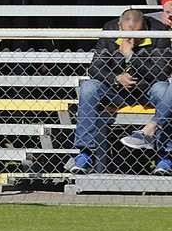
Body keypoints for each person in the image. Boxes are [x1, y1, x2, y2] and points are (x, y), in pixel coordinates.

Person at [68, 9, 172, 176]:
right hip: (115, 90)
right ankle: (85, 154)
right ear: (119, 26)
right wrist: (116, 78)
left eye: (137, 33)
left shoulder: (159, 31)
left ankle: (165, 156)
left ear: (144, 27)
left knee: (163, 89)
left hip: (147, 90)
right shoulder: (109, 30)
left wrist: (130, 56)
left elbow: (160, 73)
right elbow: (95, 68)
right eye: (126, 33)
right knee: (89, 87)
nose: (131, 38)